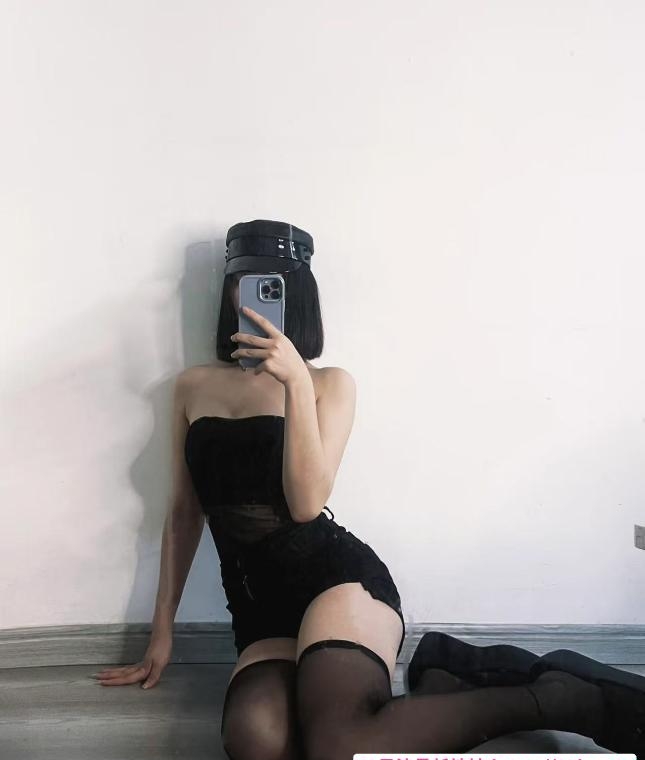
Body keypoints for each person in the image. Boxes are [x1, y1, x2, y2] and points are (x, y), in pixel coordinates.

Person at [93, 220, 645, 759]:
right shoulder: (192, 386)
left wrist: (294, 382)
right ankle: (443, 677)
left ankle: (561, 697)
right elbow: (184, 512)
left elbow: (306, 504)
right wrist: (161, 633)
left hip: (334, 584)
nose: (251, 295)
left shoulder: (329, 383)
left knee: (340, 744)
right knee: (257, 740)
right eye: (242, 280)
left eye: (270, 283)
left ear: (297, 294)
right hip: (260, 611)